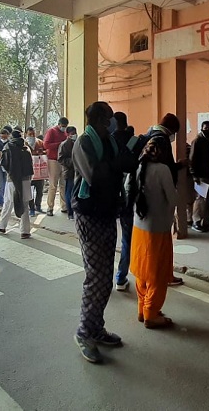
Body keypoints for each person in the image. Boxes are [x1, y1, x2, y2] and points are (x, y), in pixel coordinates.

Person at [71, 101, 135, 364]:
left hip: (108, 213)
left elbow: (127, 165)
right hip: (90, 214)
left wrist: (127, 150)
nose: (112, 123)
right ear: (99, 119)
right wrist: (117, 162)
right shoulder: (84, 143)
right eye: (108, 118)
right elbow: (98, 176)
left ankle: (96, 328)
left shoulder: (109, 140)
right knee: (95, 277)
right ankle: (84, 332)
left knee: (104, 278)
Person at [131, 139, 179, 328]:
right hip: (158, 228)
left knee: (142, 270)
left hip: (139, 227)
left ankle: (143, 309)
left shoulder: (139, 168)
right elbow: (172, 198)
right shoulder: (162, 170)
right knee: (157, 274)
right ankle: (151, 314)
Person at [112, 112, 136, 291]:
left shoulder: (109, 141)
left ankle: (115, 276)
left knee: (116, 238)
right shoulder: (135, 141)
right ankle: (125, 275)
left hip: (115, 195)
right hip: (134, 195)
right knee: (132, 238)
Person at [0, 130, 33, 238]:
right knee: (24, 204)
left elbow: (4, 165)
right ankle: (25, 231)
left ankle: (2, 225)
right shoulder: (26, 148)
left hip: (12, 179)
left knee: (8, 202)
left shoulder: (8, 147)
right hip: (26, 179)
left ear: (11, 137)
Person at [190, 121, 209, 233]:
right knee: (200, 199)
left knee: (208, 200)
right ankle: (196, 221)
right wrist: (194, 174)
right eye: (206, 127)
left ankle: (206, 220)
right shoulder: (197, 141)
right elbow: (192, 159)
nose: (208, 129)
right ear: (201, 128)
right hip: (200, 175)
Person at [44, 116, 69, 216]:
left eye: (65, 126)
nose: (64, 128)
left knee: (63, 185)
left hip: (63, 161)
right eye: (62, 126)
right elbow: (46, 145)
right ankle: (50, 207)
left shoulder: (65, 133)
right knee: (53, 185)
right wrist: (60, 144)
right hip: (53, 160)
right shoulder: (51, 131)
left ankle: (64, 206)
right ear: (58, 124)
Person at [25, 126, 47, 215]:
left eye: (33, 134)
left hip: (40, 171)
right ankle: (31, 208)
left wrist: (42, 153)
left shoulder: (40, 142)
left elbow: (46, 151)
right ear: (26, 134)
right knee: (30, 191)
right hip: (29, 172)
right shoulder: (24, 144)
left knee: (40, 190)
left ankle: (38, 206)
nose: (32, 136)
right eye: (30, 134)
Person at [57, 126, 77, 220]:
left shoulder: (78, 143)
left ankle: (75, 210)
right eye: (72, 133)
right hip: (68, 171)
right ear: (68, 134)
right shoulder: (64, 145)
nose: (74, 135)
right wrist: (72, 162)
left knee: (75, 192)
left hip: (78, 171)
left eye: (75, 133)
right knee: (69, 192)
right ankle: (70, 212)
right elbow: (60, 159)